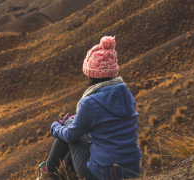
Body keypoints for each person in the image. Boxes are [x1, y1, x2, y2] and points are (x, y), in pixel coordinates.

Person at [37, 36, 142, 180]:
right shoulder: (126, 94)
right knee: (74, 127)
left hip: (102, 173)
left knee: (67, 125)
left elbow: (70, 135)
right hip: (133, 169)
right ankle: (64, 172)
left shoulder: (90, 102)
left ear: (90, 73)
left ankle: (47, 174)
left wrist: (55, 126)